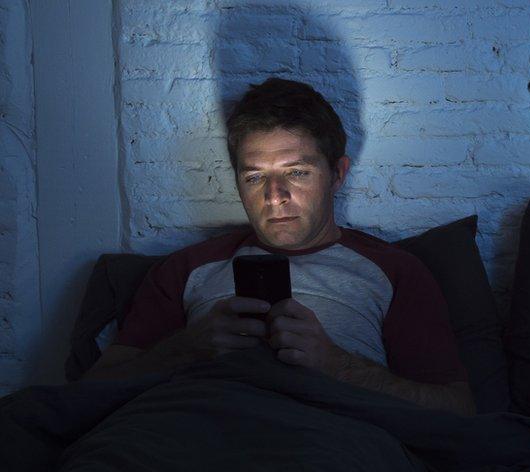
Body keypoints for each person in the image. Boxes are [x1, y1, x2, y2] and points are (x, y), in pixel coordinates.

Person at [86, 78, 475, 416]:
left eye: (297, 173)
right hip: (195, 434)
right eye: (255, 177)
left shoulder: (394, 271)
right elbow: (91, 390)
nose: (275, 196)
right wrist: (186, 350)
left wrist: (336, 364)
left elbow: (458, 410)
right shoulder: (187, 268)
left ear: (336, 174)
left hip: (329, 447)